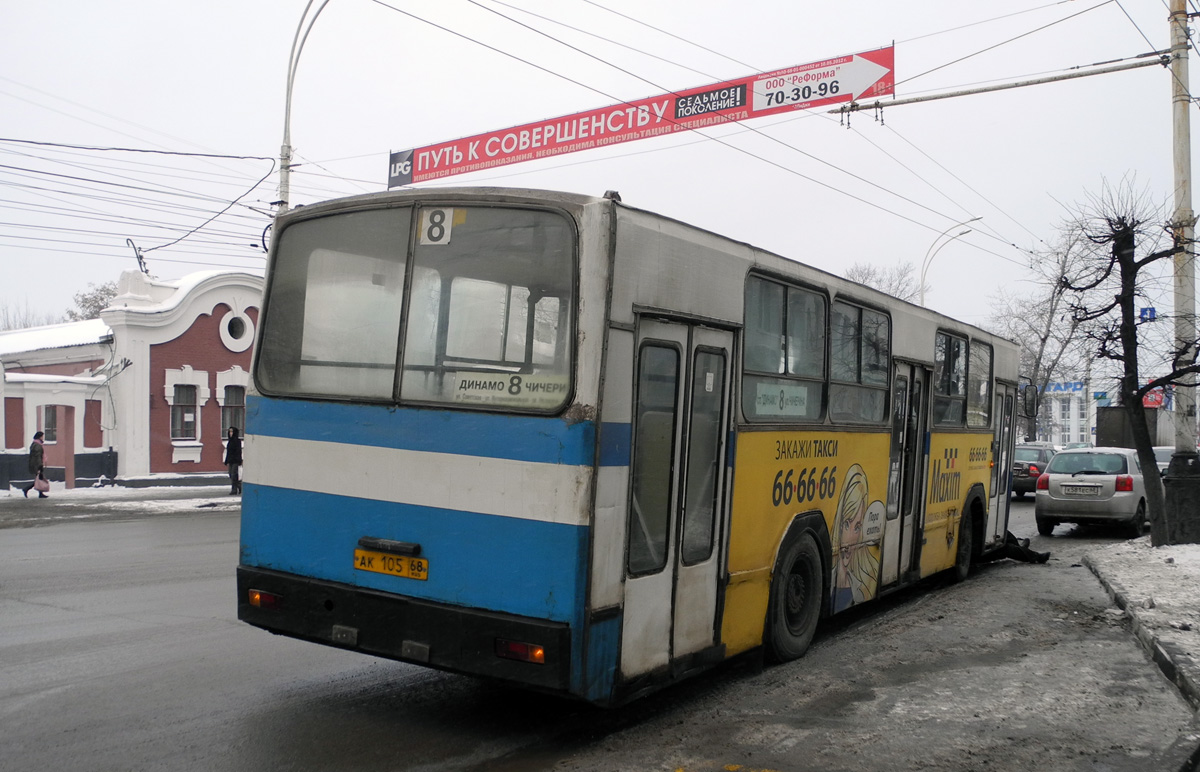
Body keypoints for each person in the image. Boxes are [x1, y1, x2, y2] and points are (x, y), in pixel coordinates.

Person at [24, 431, 47, 498]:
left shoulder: (36, 444)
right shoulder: (37, 445)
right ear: (39, 437)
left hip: (35, 464)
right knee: (39, 479)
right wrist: (40, 465)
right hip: (36, 464)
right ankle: (26, 489)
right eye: (42, 436)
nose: (43, 438)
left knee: (39, 478)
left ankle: (40, 493)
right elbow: (37, 456)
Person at [224, 426, 243, 495]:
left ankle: (234, 490)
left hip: (235, 460)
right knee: (230, 475)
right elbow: (228, 452)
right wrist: (226, 461)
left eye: (232, 431)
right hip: (230, 460)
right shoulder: (229, 441)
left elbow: (239, 451)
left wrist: (239, 460)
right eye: (229, 431)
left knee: (234, 475)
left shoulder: (237, 441)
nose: (230, 433)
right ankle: (240, 486)